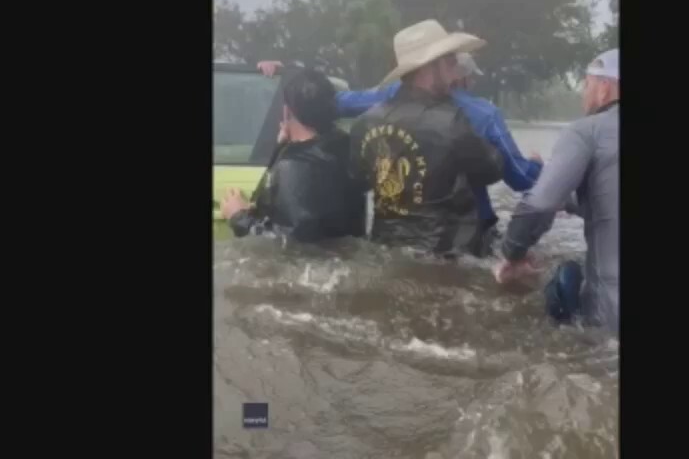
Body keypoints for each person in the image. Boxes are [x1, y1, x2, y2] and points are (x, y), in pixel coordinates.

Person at [256, 53, 544, 250]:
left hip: (388, 240)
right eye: (450, 61)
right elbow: (516, 177)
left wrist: (290, 78)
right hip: (457, 241)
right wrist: (539, 168)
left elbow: (326, 103)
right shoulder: (480, 114)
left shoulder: (377, 107)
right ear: (442, 69)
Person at [348, 19, 504, 257]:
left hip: (385, 247)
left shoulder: (364, 123)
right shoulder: (452, 120)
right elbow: (491, 170)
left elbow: (359, 180)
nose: (455, 72)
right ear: (429, 67)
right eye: (451, 62)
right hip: (444, 252)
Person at [495, 49, 620, 332]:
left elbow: (539, 204)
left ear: (604, 89)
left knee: (565, 280)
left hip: (610, 311)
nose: (582, 95)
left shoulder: (586, 131)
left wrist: (512, 254)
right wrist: (566, 195)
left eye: (586, 85)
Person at [219, 69, 366, 242]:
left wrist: (239, 217)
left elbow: (289, 244)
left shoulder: (294, 165)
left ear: (286, 112)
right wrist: (282, 146)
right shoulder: (348, 145)